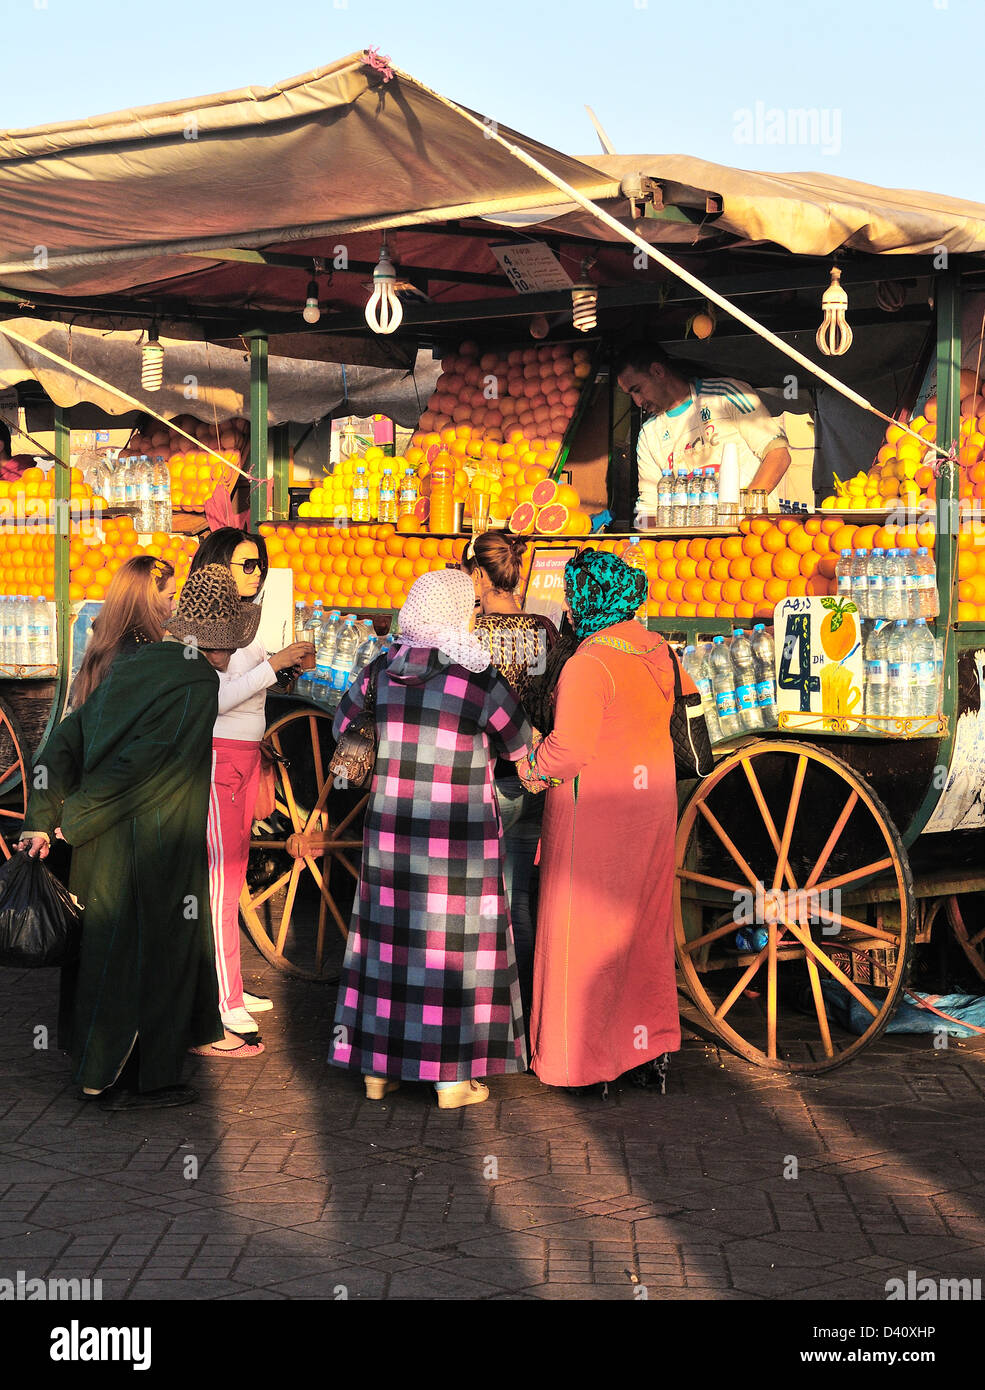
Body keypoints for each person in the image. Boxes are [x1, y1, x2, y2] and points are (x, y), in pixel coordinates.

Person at [17, 565, 261, 1109]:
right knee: (141, 956)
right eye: (228, 648)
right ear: (218, 645)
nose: (227, 659)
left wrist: (43, 817)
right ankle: (120, 1079)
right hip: (148, 846)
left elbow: (66, 740)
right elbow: (146, 768)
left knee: (106, 954)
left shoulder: (136, 663)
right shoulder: (198, 680)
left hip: (102, 844)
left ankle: (99, 1069)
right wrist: (70, 818)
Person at [328, 568, 531, 1109]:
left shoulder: (381, 669)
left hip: (390, 834)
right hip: (456, 839)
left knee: (388, 945)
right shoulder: (475, 679)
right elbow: (519, 743)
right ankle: (449, 1080)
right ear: (459, 612)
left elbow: (341, 724)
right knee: (449, 950)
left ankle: (377, 1072)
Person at [520, 547, 683, 1095]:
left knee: (581, 931)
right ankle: (645, 1047)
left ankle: (580, 1060)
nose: (566, 605)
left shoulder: (588, 663)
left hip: (597, 816)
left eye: (571, 595)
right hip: (652, 807)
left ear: (586, 601)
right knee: (640, 927)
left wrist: (529, 766)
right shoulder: (659, 651)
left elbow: (568, 752)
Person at [187, 527, 313, 1040]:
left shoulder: (248, 619)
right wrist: (274, 666)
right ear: (219, 566)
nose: (255, 573)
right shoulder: (203, 623)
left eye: (258, 565)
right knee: (220, 882)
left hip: (244, 759)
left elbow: (248, 689)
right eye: (245, 564)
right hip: (218, 759)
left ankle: (228, 982)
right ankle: (223, 997)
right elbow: (209, 700)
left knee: (233, 878)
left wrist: (282, 668)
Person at [460, 531, 558, 1021]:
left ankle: (484, 1005)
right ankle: (526, 1006)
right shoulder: (542, 627)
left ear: (478, 575)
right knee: (519, 896)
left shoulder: (467, 633)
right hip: (535, 772)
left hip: (485, 777)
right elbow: (549, 699)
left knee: (476, 898)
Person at [614, 342, 791, 508]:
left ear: (658, 371)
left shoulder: (725, 394)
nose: (637, 402)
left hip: (751, 533)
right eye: (631, 394)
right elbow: (649, 504)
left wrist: (745, 511)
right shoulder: (648, 434)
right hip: (694, 538)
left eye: (637, 390)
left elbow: (778, 454)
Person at [69, 555, 176, 707]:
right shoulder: (139, 651)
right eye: (170, 598)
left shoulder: (106, 635)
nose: (174, 606)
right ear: (148, 600)